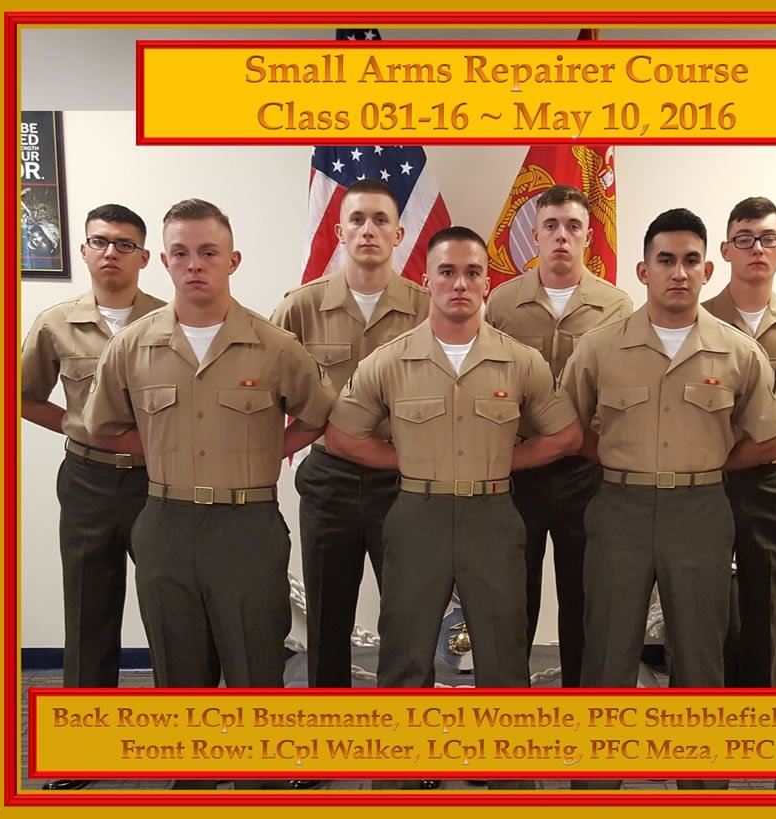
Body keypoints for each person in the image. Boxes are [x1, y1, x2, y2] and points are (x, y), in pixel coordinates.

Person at [327, 226, 582, 790]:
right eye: (447, 272)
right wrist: (413, 458)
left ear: (487, 283)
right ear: (427, 280)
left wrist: (503, 461)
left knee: (504, 653)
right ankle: (402, 776)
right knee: (405, 652)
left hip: (492, 514)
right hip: (417, 514)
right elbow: (342, 436)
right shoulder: (391, 360)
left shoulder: (520, 360)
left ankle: (508, 778)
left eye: (472, 273)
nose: (460, 284)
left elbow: (565, 435)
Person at [560, 208, 776, 790]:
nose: (679, 272)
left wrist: (708, 463)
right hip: (620, 509)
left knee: (700, 655)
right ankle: (595, 789)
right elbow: (567, 429)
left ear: (708, 270)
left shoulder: (737, 351)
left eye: (691, 260)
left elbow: (770, 439)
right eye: (666, 260)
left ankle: (701, 788)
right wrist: (618, 458)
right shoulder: (599, 347)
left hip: (700, 512)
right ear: (644, 271)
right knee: (607, 652)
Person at [83, 199, 334, 716]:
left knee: (255, 669)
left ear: (233, 260)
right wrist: (164, 447)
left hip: (247, 526)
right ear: (164, 261)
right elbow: (102, 427)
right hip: (165, 523)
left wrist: (268, 451)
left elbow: (318, 415)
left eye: (208, 252)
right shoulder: (130, 347)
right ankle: (189, 765)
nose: (194, 264)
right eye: (180, 253)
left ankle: (254, 765)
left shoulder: (276, 347)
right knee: (177, 674)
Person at [22, 204, 164, 792]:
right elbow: (22, 395)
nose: (111, 252)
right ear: (83, 250)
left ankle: (178, 742)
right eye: (100, 241)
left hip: (160, 484)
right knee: (88, 612)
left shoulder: (172, 320)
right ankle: (84, 749)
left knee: (172, 613)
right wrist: (75, 426)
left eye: (125, 244)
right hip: (88, 482)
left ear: (144, 257)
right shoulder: (56, 323)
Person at [270, 179, 429, 699]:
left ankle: (407, 729)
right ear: (339, 231)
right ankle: (327, 725)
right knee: (327, 613)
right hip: (330, 479)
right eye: (357, 219)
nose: (368, 230)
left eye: (381, 220)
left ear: (399, 234)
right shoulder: (301, 308)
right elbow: (268, 390)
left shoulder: (427, 310)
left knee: (408, 613)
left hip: (401, 479)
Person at [484, 184, 632, 687]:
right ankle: (509, 713)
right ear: (534, 235)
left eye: (573, 226)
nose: (561, 236)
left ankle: (578, 711)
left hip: (584, 473)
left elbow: (620, 388)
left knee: (584, 600)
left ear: (589, 236)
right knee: (510, 600)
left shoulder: (616, 306)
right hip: (520, 471)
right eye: (551, 226)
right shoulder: (503, 303)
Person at [702, 196, 776, 688]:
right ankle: (697, 713)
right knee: (699, 610)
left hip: (771, 484)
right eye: (745, 238)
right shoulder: (695, 318)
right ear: (726, 250)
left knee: (764, 609)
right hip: (704, 483)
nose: (757, 248)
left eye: (768, 238)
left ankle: (760, 712)